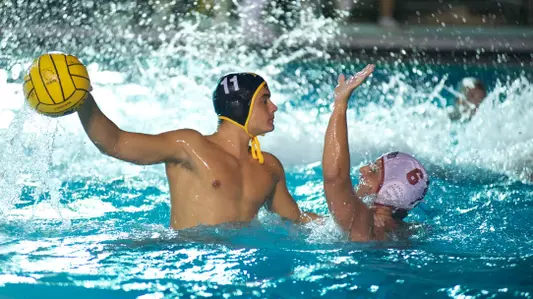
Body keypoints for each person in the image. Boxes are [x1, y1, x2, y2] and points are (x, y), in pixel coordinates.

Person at [78, 73, 321, 230]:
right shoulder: (189, 145)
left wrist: (348, 217)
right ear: (241, 106)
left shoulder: (269, 166)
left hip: (242, 265)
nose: (274, 107)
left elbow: (294, 220)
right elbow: (115, 142)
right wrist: (82, 98)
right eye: (264, 100)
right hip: (186, 256)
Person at [322, 64, 430, 242]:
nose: (363, 169)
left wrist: (340, 105)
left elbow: (336, 178)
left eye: (373, 170)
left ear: (390, 190)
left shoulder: (362, 222)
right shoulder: (412, 232)